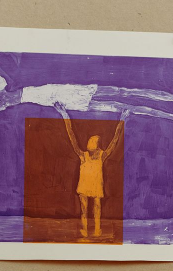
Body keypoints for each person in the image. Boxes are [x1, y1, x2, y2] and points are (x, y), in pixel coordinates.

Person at [54, 102, 129, 238]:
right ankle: (84, 229)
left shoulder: (102, 155)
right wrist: (64, 114)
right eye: (89, 141)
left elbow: (115, 140)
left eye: (92, 141)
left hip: (96, 185)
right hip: (84, 185)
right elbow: (71, 136)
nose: (89, 143)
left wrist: (122, 119)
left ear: (98, 146)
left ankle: (97, 229)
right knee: (83, 209)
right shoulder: (83, 155)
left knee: (97, 208)